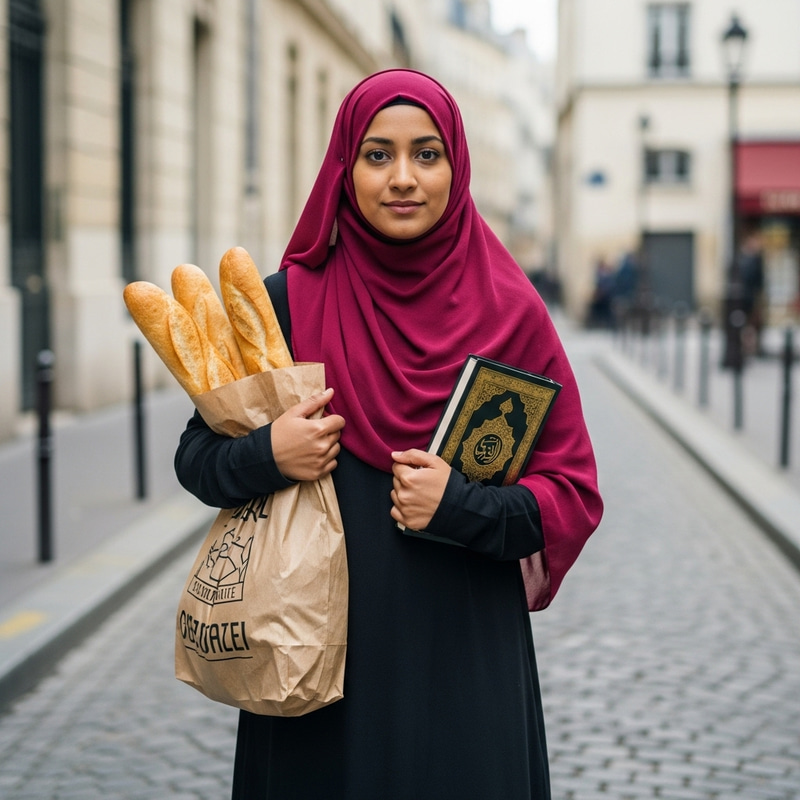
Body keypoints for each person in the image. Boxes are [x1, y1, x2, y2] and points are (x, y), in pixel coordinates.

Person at [174, 69, 603, 800]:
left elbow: (571, 497)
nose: (403, 178)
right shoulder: (289, 303)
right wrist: (268, 453)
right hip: (318, 666)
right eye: (377, 155)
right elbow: (197, 457)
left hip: (464, 663)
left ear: (455, 165)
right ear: (345, 168)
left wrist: (461, 506)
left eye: (426, 154)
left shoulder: (513, 316)